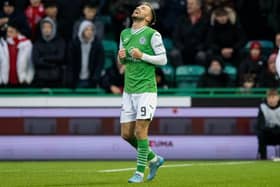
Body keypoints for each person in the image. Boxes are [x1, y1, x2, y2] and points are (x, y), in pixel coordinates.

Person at [118, 2, 167, 183]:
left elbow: (163, 60)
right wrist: (121, 58)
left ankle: (139, 172)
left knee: (140, 131)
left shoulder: (152, 34)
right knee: (126, 135)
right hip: (129, 90)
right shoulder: (124, 34)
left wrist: (142, 56)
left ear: (148, 18)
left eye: (144, 8)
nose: (139, 8)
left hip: (146, 89)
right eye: (138, 6)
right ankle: (154, 159)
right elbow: (123, 62)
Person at [69, 20, 104, 88]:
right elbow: (71, 63)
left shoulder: (98, 45)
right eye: (87, 29)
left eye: (91, 30)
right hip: (76, 80)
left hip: (91, 81)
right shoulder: (74, 44)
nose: (89, 32)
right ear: (82, 31)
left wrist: (95, 78)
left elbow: (100, 63)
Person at [173, 0, 209, 66]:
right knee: (174, 54)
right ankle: (181, 73)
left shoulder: (206, 20)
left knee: (202, 56)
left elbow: (208, 39)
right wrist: (182, 48)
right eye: (188, 4)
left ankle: (201, 75)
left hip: (199, 50)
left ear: (199, 6)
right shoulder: (181, 19)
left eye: (191, 4)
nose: (188, 6)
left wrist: (198, 48)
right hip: (183, 50)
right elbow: (176, 37)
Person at [32, 17, 66, 88]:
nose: (46, 30)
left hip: (57, 79)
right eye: (44, 27)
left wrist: (43, 58)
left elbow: (60, 57)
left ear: (53, 28)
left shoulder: (60, 41)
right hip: (40, 79)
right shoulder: (37, 43)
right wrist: (53, 63)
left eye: (49, 27)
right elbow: (36, 61)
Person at [0, 20, 34, 87]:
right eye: (7, 32)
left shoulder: (27, 44)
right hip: (5, 82)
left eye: (11, 32)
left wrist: (28, 79)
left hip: (22, 81)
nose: (8, 34)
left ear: (17, 32)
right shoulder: (2, 44)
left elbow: (30, 64)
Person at [257, 88, 280, 160]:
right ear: (267, 98)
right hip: (268, 134)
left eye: (273, 97)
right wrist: (272, 129)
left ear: (278, 98)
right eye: (269, 97)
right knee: (261, 134)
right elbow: (261, 125)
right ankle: (263, 158)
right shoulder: (262, 107)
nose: (271, 99)